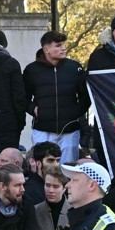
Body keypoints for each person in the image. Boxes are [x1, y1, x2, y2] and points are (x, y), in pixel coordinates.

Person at [23, 30, 89, 163]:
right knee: (43, 169)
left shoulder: (74, 68)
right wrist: (33, 109)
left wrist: (75, 113)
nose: (63, 48)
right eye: (58, 45)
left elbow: (86, 96)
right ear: (46, 49)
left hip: (70, 131)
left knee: (69, 169)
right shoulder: (31, 70)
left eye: (63, 44)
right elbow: (22, 97)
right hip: (42, 130)